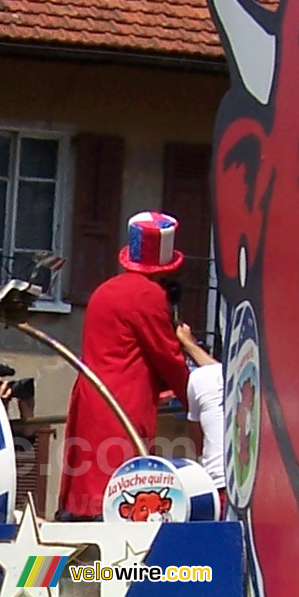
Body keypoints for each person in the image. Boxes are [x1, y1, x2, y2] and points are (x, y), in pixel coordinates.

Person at [57, 211, 192, 519]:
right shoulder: (148, 295)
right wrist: (195, 395)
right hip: (123, 401)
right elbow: (166, 355)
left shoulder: (105, 290)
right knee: (123, 490)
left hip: (92, 395)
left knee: (87, 487)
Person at [177, 321, 227, 500]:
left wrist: (188, 344)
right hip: (230, 482)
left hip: (219, 481)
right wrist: (189, 344)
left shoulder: (200, 378)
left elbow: (196, 439)